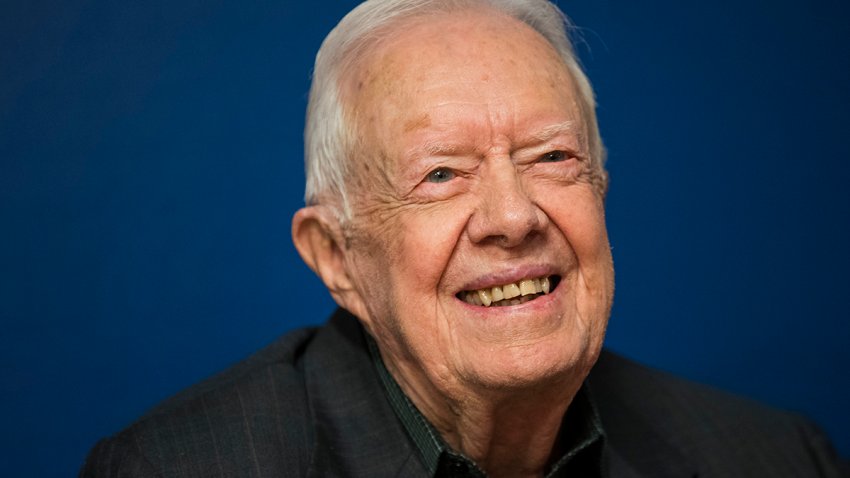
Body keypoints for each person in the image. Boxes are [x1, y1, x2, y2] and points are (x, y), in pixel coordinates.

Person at [81, 0, 848, 476]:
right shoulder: (179, 470)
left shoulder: (775, 457)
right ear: (336, 257)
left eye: (553, 158)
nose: (513, 218)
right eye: (442, 174)